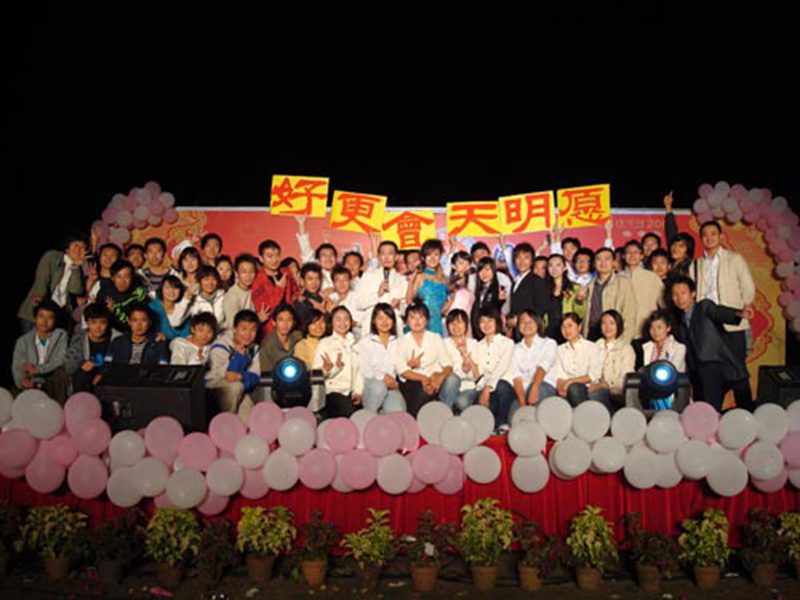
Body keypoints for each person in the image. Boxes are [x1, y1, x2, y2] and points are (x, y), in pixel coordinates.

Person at [670, 275, 754, 411]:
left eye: (683, 293)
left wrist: (736, 314)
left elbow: (718, 312)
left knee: (745, 410)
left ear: (693, 294)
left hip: (720, 366)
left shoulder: (703, 307)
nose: (679, 298)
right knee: (706, 412)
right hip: (700, 374)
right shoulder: (680, 322)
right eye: (675, 294)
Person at [694, 220, 756, 356]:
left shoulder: (734, 258)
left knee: (735, 362)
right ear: (701, 238)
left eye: (713, 234)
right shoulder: (697, 263)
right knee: (711, 362)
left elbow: (748, 287)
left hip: (731, 318)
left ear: (721, 236)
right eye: (705, 235)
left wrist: (741, 309)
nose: (709, 238)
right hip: (708, 320)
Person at [18, 233, 87, 332]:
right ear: (67, 248)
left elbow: (76, 290)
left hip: (58, 316)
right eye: (75, 245)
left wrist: (76, 267)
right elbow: (42, 281)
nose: (79, 250)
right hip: (37, 312)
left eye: (82, 247)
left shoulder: (79, 268)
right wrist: (40, 300)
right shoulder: (53, 256)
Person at [394, 302, 453, 416]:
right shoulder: (402, 341)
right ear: (406, 321)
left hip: (434, 379)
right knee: (419, 390)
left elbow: (448, 364)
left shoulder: (435, 338)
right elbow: (401, 369)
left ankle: (445, 414)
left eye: (421, 317)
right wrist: (423, 379)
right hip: (412, 381)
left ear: (427, 320)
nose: (417, 321)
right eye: (412, 317)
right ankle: (413, 419)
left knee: (452, 379)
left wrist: (440, 377)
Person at [206, 309, 262, 420]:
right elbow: (217, 375)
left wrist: (241, 376)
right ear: (235, 329)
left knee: (250, 419)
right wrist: (238, 358)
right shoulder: (221, 345)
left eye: (253, 330)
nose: (248, 334)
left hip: (240, 387)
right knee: (236, 387)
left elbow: (255, 376)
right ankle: (224, 422)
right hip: (213, 389)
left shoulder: (254, 348)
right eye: (244, 329)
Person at [505, 309, 558, 422]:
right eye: (523, 322)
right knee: (514, 417)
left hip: (544, 386)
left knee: (539, 394)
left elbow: (543, 367)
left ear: (538, 323)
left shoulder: (549, 343)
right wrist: (523, 404)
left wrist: (534, 388)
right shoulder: (515, 348)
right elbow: (516, 377)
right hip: (523, 391)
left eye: (530, 322)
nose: (526, 325)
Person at [12, 299, 69, 403]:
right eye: (41, 316)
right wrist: (22, 380)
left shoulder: (60, 335)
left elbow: (60, 360)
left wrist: (38, 369)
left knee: (60, 374)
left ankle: (60, 409)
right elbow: (18, 365)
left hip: (51, 379)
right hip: (33, 380)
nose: (45, 321)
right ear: (35, 318)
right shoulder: (23, 341)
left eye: (50, 318)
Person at [313, 306, 362, 418]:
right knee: (351, 414)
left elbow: (360, 371)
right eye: (338, 319)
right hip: (332, 393)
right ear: (332, 322)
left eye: (346, 319)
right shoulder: (325, 343)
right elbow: (315, 376)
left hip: (352, 394)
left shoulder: (356, 343)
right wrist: (329, 369)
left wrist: (357, 392)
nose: (342, 323)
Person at [358, 303, 406, 414]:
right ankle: (367, 417)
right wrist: (383, 377)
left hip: (391, 385)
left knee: (398, 411)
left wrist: (408, 365)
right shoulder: (366, 342)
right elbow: (365, 369)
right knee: (379, 387)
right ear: (374, 321)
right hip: (372, 384)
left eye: (388, 317)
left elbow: (399, 368)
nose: (384, 322)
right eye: (380, 318)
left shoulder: (398, 342)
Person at [473, 306, 515, 433]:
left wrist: (487, 388)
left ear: (497, 322)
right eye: (482, 321)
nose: (486, 325)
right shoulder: (477, 346)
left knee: (501, 386)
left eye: (490, 320)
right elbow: (479, 372)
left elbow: (501, 368)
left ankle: (503, 424)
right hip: (485, 387)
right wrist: (483, 388)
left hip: (503, 388)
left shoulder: (507, 343)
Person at [554, 313, 608, 409]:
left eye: (570, 326)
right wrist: (560, 387)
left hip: (589, 387)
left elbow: (594, 374)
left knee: (574, 389)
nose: (567, 330)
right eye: (563, 327)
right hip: (566, 388)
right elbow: (559, 374)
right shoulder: (559, 350)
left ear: (579, 327)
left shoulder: (592, 347)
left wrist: (571, 382)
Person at [582, 248, 637, 342]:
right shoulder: (589, 285)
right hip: (592, 333)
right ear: (594, 264)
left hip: (613, 333)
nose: (603, 263)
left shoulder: (623, 282)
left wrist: (624, 341)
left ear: (614, 262)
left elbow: (629, 314)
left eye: (607, 259)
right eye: (599, 259)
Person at [356, 240, 408, 335]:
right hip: (371, 327)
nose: (386, 257)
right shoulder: (368, 276)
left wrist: (399, 305)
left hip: (394, 328)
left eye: (390, 253)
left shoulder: (402, 280)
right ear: (378, 256)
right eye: (383, 254)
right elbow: (359, 304)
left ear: (396, 257)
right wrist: (377, 295)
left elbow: (406, 310)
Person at [65, 303, 119, 393]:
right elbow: (69, 366)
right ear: (87, 323)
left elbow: (119, 365)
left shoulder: (116, 339)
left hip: (108, 378)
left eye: (102, 322)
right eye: (93, 322)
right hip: (86, 379)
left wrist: (102, 374)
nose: (98, 327)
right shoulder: (79, 338)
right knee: (82, 375)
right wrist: (83, 364)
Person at [250, 239, 297, 337]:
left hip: (291, 325)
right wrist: (279, 288)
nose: (274, 260)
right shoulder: (258, 281)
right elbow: (266, 311)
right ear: (261, 259)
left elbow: (295, 292)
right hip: (271, 330)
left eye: (277, 255)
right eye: (270, 256)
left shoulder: (286, 272)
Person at [620, 240, 664, 340]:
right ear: (623, 256)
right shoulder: (617, 277)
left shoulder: (652, 277)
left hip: (647, 331)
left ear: (641, 256)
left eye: (636, 252)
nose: (632, 255)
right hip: (623, 331)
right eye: (628, 252)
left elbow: (663, 303)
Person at [594, 309, 636, 407]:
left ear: (618, 325)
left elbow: (625, 378)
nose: (607, 327)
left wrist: (607, 385)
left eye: (612, 323)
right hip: (595, 387)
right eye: (604, 323)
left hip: (615, 393)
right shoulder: (595, 346)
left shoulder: (626, 348)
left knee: (596, 394)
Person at [406, 239, 449, 335]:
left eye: (436, 255)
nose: (432, 258)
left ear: (440, 256)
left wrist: (454, 295)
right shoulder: (420, 276)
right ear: (423, 257)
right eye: (429, 255)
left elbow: (443, 308)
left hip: (437, 323)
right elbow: (409, 300)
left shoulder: (444, 279)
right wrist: (411, 281)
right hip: (420, 323)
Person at [104, 304, 169, 367]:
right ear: (129, 322)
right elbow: (107, 365)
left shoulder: (157, 344)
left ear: (149, 322)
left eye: (143, 320)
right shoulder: (117, 342)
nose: (139, 325)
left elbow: (163, 368)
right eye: (135, 320)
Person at [441, 309, 480, 413]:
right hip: (448, 387)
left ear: (466, 325)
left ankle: (446, 411)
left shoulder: (474, 344)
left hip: (468, 386)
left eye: (459, 322)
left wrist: (466, 356)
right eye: (452, 323)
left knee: (461, 403)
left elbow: (477, 375)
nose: (455, 326)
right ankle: (446, 414)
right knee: (453, 379)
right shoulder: (443, 344)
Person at [96, 259, 149, 333]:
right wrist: (109, 312)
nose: (122, 281)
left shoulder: (138, 292)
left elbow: (143, 317)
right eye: (119, 277)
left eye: (126, 277)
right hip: (111, 331)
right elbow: (99, 319)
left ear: (132, 277)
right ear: (112, 278)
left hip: (134, 331)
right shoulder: (105, 293)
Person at [545, 254, 585, 343]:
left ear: (564, 267)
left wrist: (579, 301)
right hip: (548, 330)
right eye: (551, 265)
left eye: (558, 265)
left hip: (567, 330)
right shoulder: (543, 288)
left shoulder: (575, 288)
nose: (554, 269)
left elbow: (580, 314)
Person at [509, 242, 551, 319]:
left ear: (532, 261)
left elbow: (542, 307)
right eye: (518, 257)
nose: (522, 261)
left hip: (530, 324)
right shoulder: (514, 282)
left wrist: (526, 321)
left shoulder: (536, 281)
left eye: (526, 258)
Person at [470, 257, 508, 340]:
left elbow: (497, 309)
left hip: (492, 332)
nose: (484, 273)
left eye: (487, 270)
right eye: (481, 270)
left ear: (493, 271)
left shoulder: (498, 289)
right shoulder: (478, 291)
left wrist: (500, 301)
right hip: (478, 332)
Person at [260, 304, 302, 373]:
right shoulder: (267, 345)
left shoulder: (298, 337)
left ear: (294, 322)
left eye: (289, 320)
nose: (285, 324)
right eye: (281, 320)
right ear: (274, 322)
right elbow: (266, 374)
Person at [325, 265, 365, 339]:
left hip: (359, 335)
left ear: (350, 281)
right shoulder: (330, 299)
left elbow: (365, 319)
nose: (342, 283)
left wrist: (351, 322)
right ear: (333, 283)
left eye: (345, 280)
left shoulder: (358, 297)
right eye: (338, 280)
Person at [148, 275, 191, 342]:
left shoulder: (184, 306)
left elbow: (186, 334)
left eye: (175, 288)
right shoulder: (152, 307)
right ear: (161, 289)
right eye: (167, 288)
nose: (171, 291)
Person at [222, 254, 257, 333]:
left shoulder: (255, 290)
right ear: (237, 273)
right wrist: (258, 319)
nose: (248, 276)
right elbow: (232, 324)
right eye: (244, 272)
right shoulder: (232, 295)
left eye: (251, 272)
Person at [188, 266, 226, 330]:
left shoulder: (224, 296)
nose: (210, 283)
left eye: (214, 279)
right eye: (206, 279)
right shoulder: (193, 299)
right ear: (199, 281)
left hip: (222, 333)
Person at [294, 263, 326, 328]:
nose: (314, 283)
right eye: (310, 279)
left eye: (317, 279)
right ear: (302, 281)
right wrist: (323, 310)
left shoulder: (322, 297)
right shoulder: (301, 301)